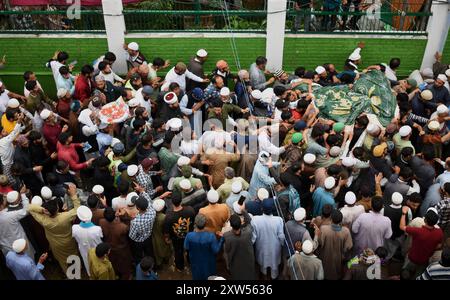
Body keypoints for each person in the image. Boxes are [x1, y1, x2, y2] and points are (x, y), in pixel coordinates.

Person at [27, 183, 80, 273]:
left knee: (63, 260)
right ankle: (77, 269)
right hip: (69, 241)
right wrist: (74, 195)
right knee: (74, 255)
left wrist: (42, 210)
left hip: (55, 244)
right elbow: (77, 209)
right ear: (58, 208)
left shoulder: (44, 220)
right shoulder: (65, 216)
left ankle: (68, 273)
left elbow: (29, 208)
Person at [400, 207, 444, 279]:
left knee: (405, 272)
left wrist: (403, 213)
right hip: (424, 260)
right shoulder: (439, 232)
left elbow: (402, 227)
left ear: (425, 219)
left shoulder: (418, 231)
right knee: (418, 276)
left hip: (412, 258)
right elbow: (439, 245)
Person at [251, 198, 285, 279]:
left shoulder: (255, 220)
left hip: (261, 248)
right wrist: (282, 244)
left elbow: (253, 238)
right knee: (274, 267)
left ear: (261, 208)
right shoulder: (278, 220)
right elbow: (281, 236)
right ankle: (274, 277)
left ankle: (264, 276)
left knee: (263, 265)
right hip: (275, 248)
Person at [184, 214, 224, 280]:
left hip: (195, 261)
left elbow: (186, 247)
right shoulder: (211, 236)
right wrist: (221, 239)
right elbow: (216, 250)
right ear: (205, 224)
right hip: (209, 262)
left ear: (195, 224)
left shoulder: (189, 236)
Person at [315, 209, 353, 280]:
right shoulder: (346, 231)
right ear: (341, 220)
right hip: (338, 260)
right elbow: (348, 247)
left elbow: (319, 243)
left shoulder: (323, 229)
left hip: (325, 257)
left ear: (331, 219)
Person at [163, 192, 195, 273]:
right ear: (181, 201)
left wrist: (167, 238)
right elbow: (193, 222)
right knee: (189, 249)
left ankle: (180, 267)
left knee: (178, 251)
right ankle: (191, 262)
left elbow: (166, 231)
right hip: (189, 235)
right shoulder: (190, 210)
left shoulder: (169, 216)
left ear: (172, 202)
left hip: (176, 238)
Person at [99, 207, 133, 280]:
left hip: (110, 249)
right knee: (125, 265)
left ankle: (116, 274)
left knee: (114, 263)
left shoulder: (101, 222)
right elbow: (129, 230)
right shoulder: (122, 227)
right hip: (122, 249)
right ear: (115, 215)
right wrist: (124, 216)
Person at [223, 209, 256, 280]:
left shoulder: (227, 236)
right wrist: (243, 210)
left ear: (231, 225)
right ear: (241, 223)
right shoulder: (248, 232)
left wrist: (227, 264)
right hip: (248, 260)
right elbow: (249, 221)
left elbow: (226, 252)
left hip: (235, 263)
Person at [72, 206, 103, 276]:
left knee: (87, 262)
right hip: (96, 250)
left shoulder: (74, 228)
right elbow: (101, 236)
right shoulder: (97, 229)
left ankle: (91, 275)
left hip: (84, 250)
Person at [129, 195, 156, 264]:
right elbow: (149, 202)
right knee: (150, 253)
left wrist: (132, 218)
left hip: (139, 242)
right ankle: (153, 267)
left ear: (137, 208)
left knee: (138, 257)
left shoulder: (135, 222)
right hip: (148, 237)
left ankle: (140, 268)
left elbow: (132, 236)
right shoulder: (153, 212)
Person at [151, 199, 172, 268]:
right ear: (162, 208)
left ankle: (159, 264)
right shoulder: (164, 217)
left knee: (156, 251)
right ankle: (166, 260)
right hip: (162, 237)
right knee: (165, 249)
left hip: (154, 237)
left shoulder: (151, 216)